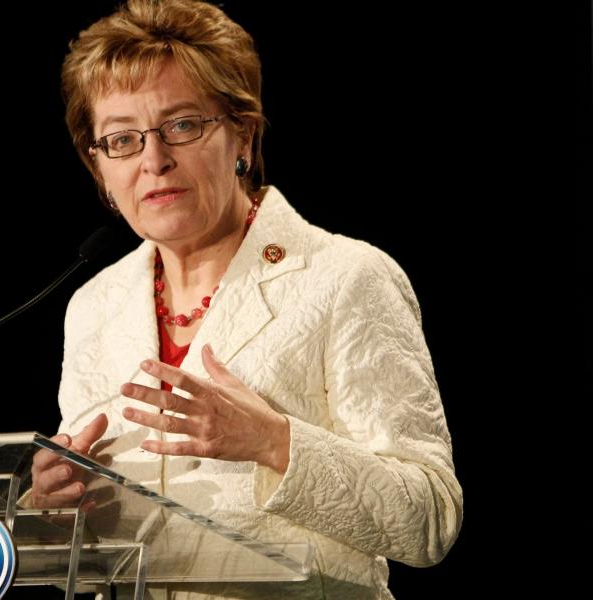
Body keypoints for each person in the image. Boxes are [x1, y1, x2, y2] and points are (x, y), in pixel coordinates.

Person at [29, 1, 462, 598]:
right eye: (122, 140)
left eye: (182, 125)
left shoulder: (345, 277)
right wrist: (54, 508)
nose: (154, 160)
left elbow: (430, 519)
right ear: (100, 168)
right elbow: (99, 545)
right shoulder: (94, 305)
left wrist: (274, 443)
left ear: (244, 135)